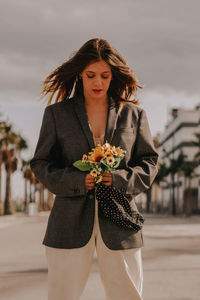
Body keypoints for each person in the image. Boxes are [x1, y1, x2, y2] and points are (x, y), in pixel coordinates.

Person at [30, 38, 159, 300]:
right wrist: (78, 181)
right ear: (80, 74)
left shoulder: (134, 115)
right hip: (68, 224)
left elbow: (149, 162)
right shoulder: (57, 114)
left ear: (113, 76)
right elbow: (41, 163)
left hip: (121, 223)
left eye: (104, 75)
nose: (98, 83)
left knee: (129, 296)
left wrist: (120, 178)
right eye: (91, 75)